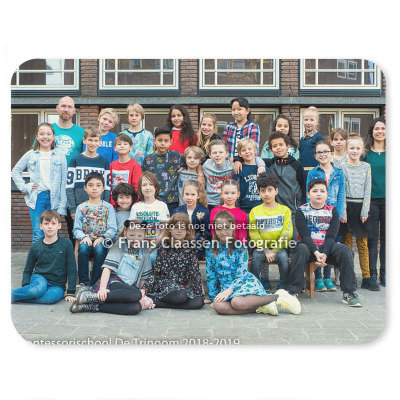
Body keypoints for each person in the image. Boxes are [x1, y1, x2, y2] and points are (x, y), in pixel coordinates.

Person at [206, 210, 300, 316]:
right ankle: (263, 307)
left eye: (226, 227)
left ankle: (277, 297)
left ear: (233, 227)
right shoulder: (210, 248)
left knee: (237, 302)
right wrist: (213, 297)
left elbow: (242, 274)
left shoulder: (240, 248)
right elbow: (211, 274)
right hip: (226, 288)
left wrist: (229, 290)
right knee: (218, 306)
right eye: (219, 228)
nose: (223, 232)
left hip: (243, 284)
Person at [286, 178, 362, 307]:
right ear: (308, 194)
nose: (319, 194)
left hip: (327, 247)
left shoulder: (333, 211)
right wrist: (316, 252)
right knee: (300, 249)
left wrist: (325, 253)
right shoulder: (301, 211)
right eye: (315, 191)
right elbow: (305, 235)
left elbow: (331, 236)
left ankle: (349, 293)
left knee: (345, 250)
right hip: (308, 248)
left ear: (327, 194)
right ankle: (293, 291)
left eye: (322, 191)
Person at [70, 220, 155, 314]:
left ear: (144, 235)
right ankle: (93, 296)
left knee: (136, 307)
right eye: (132, 235)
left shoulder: (144, 250)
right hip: (113, 284)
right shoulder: (120, 245)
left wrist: (142, 296)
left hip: (127, 290)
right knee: (136, 294)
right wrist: (102, 289)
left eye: (139, 236)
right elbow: (107, 269)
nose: (135, 239)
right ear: (125, 234)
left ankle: (90, 306)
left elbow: (143, 277)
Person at [12, 123, 67, 242]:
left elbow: (64, 182)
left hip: (54, 199)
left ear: (53, 136)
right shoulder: (30, 154)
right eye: (41, 134)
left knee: (53, 233)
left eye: (48, 134)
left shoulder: (60, 156)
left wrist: (62, 205)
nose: (45, 137)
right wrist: (25, 187)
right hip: (37, 198)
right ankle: (38, 255)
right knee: (38, 233)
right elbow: (15, 171)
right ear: (37, 137)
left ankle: (53, 255)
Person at [11, 210, 76, 304]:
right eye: (46, 223)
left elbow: (72, 269)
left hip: (57, 285)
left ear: (59, 226)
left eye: (53, 223)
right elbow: (28, 269)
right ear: (41, 226)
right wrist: (26, 287)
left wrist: (71, 292)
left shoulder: (66, 244)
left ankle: (22, 297)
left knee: (50, 298)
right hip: (40, 278)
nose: (50, 226)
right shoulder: (36, 246)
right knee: (38, 290)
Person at [340, 135, 379, 290]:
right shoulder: (342, 167)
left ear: (362, 150)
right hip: (347, 208)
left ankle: (367, 277)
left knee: (363, 245)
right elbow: (342, 191)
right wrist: (343, 212)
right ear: (346, 150)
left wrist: (365, 211)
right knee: (347, 245)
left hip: (361, 209)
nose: (354, 151)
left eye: (357, 148)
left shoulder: (366, 167)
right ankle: (348, 277)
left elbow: (368, 190)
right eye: (351, 148)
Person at [306, 140, 346, 292]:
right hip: (316, 214)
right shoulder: (312, 173)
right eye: (319, 152)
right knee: (317, 243)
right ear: (315, 156)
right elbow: (308, 193)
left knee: (330, 243)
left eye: (325, 151)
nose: (322, 154)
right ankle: (318, 278)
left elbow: (341, 195)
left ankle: (328, 277)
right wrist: (310, 213)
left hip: (332, 214)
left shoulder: (339, 172)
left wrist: (338, 214)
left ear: (332, 153)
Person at [143, 213, 204, 309]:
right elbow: (156, 273)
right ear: (170, 229)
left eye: (182, 228)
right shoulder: (164, 246)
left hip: (181, 287)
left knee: (199, 302)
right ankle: (153, 298)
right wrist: (144, 290)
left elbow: (194, 273)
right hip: (164, 284)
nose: (179, 230)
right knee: (181, 295)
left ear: (187, 230)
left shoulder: (191, 248)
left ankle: (155, 302)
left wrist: (198, 293)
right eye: (175, 227)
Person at [249, 173, 293, 291]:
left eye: (270, 190)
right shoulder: (255, 211)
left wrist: (274, 249)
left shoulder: (285, 210)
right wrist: (266, 250)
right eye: (263, 191)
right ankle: (254, 287)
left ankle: (284, 287)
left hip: (279, 247)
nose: (267, 194)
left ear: (276, 191)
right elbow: (254, 233)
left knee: (283, 258)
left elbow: (287, 233)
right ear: (259, 193)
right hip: (261, 247)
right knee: (256, 258)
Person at [73, 172, 117, 288]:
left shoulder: (108, 207)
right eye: (91, 185)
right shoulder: (81, 207)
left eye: (98, 185)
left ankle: (96, 282)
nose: (94, 188)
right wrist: (84, 237)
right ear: (85, 188)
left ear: (103, 188)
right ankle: (84, 282)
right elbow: (76, 229)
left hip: (102, 241)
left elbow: (112, 228)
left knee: (100, 249)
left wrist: (102, 237)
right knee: (83, 248)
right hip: (86, 239)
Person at [52, 96, 85, 243]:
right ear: (57, 108)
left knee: (74, 227)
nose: (66, 109)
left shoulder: (81, 133)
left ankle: (73, 256)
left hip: (74, 187)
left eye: (69, 107)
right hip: (53, 185)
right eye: (63, 106)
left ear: (74, 110)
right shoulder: (48, 130)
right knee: (51, 225)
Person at [264, 131, 306, 239]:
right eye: (274, 146)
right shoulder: (270, 164)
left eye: (281, 145)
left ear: (287, 146)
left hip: (293, 211)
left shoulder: (296, 165)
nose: (278, 148)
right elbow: (251, 159)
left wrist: (302, 208)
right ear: (271, 150)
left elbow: (304, 187)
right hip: (276, 211)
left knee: (293, 240)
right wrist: (237, 160)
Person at [66, 126, 111, 219]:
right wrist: (73, 209)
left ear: (100, 142)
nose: (93, 143)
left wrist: (105, 207)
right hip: (78, 208)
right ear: (84, 140)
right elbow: (69, 187)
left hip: (98, 208)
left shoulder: (104, 162)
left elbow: (107, 188)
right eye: (90, 140)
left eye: (96, 140)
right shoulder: (75, 160)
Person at [129, 171, 170, 266]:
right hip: (138, 245)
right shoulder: (136, 207)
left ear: (156, 187)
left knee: (151, 257)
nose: (147, 188)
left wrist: (151, 247)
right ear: (140, 188)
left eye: (151, 184)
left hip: (156, 245)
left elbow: (164, 232)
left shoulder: (162, 206)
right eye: (144, 185)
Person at [142, 126, 184, 215]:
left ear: (170, 142)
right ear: (154, 141)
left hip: (172, 200)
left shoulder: (176, 156)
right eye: (160, 140)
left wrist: (184, 168)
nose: (163, 143)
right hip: (154, 200)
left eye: (166, 141)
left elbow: (192, 161)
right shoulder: (148, 159)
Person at [364, 117, 386, 286]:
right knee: (372, 239)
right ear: (372, 132)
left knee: (387, 240)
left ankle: (385, 274)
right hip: (371, 200)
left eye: (383, 128)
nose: (380, 131)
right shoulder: (365, 154)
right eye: (376, 128)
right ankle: (372, 274)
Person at [172, 180, 211, 259]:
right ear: (182, 194)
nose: (189, 198)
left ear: (198, 196)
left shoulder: (204, 212)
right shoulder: (177, 211)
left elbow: (207, 234)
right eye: (187, 194)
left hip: (198, 248)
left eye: (193, 195)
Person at [233, 138, 265, 214]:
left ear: (255, 150)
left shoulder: (263, 169)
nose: (247, 152)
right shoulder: (239, 169)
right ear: (239, 154)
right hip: (244, 210)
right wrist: (238, 209)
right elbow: (236, 190)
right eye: (243, 150)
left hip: (262, 209)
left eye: (250, 149)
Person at [222, 97, 261, 161]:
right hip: (229, 163)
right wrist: (228, 159)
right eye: (233, 110)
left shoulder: (253, 126)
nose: (236, 112)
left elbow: (255, 149)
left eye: (239, 109)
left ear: (247, 111)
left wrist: (239, 160)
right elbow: (224, 148)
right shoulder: (228, 128)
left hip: (247, 162)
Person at [109, 133, 142, 207]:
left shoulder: (135, 165)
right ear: (115, 148)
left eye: (125, 144)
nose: (122, 146)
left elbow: (137, 187)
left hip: (129, 204)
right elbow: (109, 186)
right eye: (119, 144)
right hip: (113, 205)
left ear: (131, 147)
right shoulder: (111, 165)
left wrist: (133, 204)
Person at [119, 103, 154, 167]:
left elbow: (150, 155)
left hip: (142, 170)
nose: (134, 118)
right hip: (125, 169)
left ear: (141, 117)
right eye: (131, 115)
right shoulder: (122, 135)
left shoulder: (148, 135)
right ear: (128, 117)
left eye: (137, 115)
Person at [202, 139, 234, 211]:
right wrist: (200, 172)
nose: (218, 155)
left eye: (221, 152)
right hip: (210, 203)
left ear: (227, 154)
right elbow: (196, 164)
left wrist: (238, 160)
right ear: (210, 155)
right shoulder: (206, 165)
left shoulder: (232, 165)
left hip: (227, 202)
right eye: (214, 153)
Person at [299, 106, 324, 171]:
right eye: (306, 120)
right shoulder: (302, 139)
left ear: (317, 122)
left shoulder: (318, 137)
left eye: (312, 120)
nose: (308, 122)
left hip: (314, 170)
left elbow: (322, 155)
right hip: (303, 170)